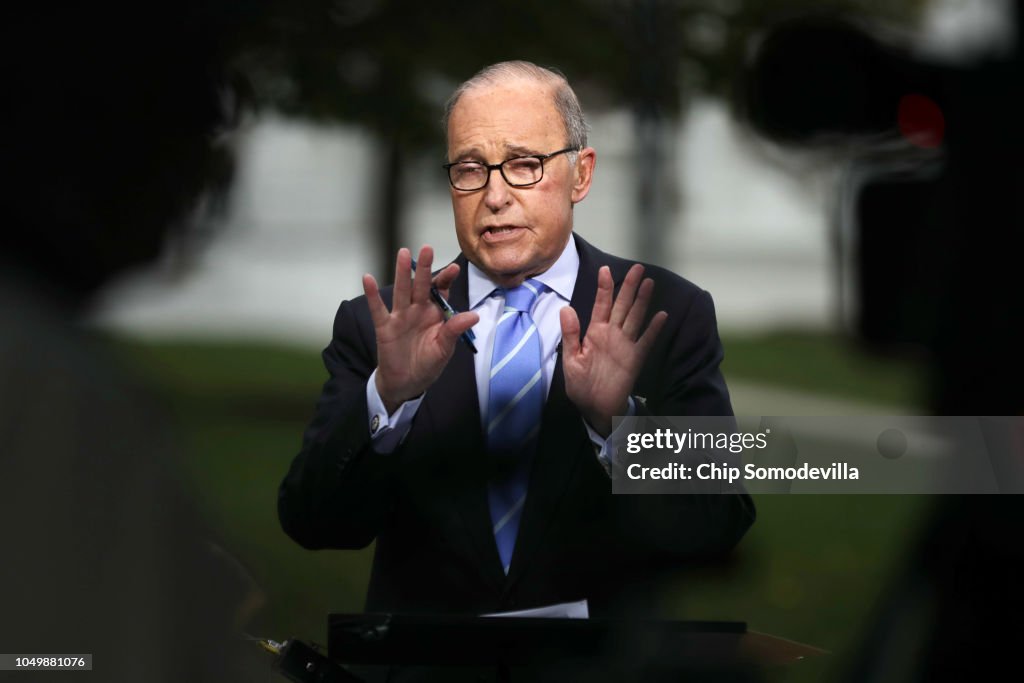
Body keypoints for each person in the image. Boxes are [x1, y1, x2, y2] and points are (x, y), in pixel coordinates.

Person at [278, 61, 754, 619]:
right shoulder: (377, 327)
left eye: (524, 165)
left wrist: (618, 425)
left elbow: (715, 527)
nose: (495, 196)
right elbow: (313, 524)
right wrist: (389, 398)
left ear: (581, 174)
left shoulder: (664, 312)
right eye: (470, 169)